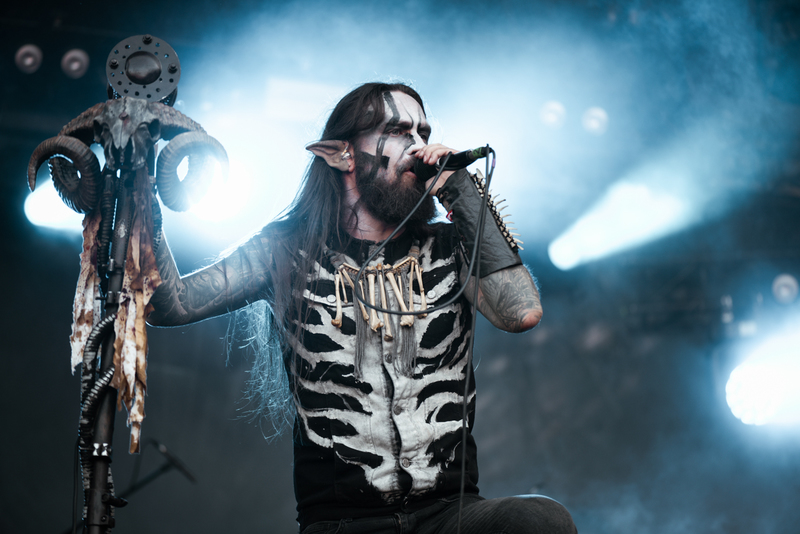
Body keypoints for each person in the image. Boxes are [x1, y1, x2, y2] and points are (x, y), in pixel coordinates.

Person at [147, 82, 577, 534]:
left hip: (450, 513)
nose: (418, 145)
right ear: (342, 155)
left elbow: (521, 314)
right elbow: (170, 303)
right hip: (343, 522)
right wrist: (139, 188)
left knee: (540, 519)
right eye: (399, 131)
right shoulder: (287, 248)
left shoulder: (451, 247)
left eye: (423, 132)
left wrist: (461, 192)